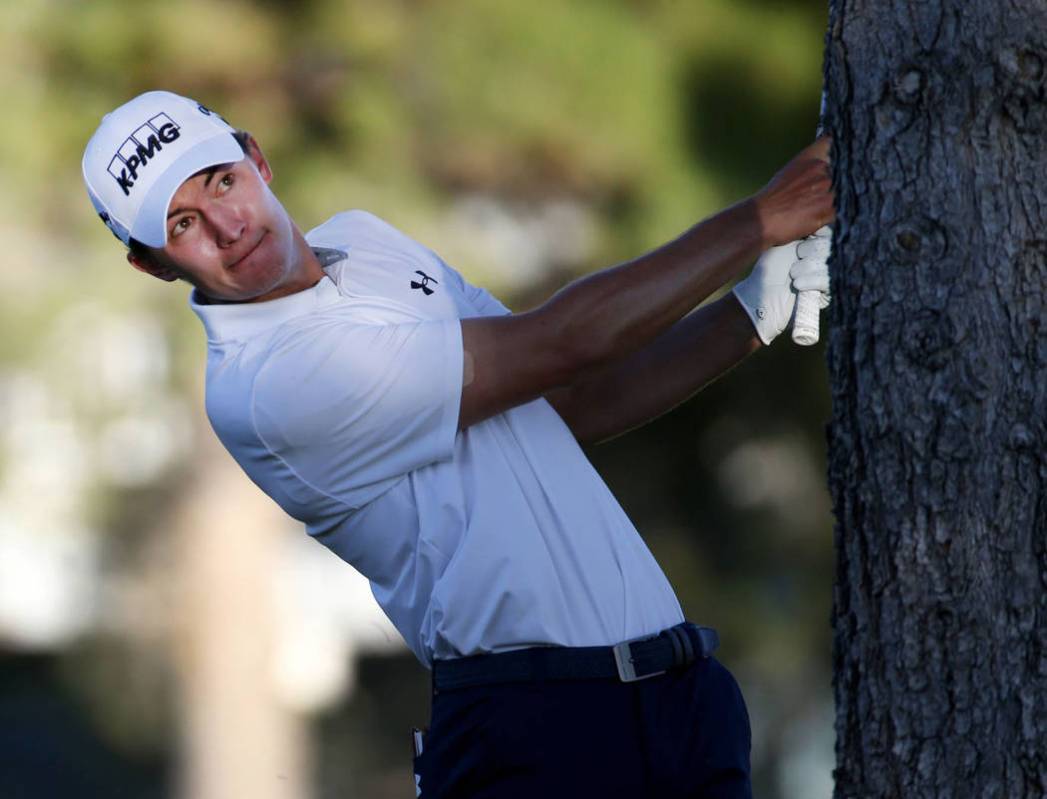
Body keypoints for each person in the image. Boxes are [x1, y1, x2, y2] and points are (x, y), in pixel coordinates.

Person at [82, 90, 834, 798]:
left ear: (258, 159)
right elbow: (562, 345)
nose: (226, 225)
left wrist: (746, 313)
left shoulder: (363, 241)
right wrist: (759, 218)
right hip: (537, 729)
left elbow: (568, 402)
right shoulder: (267, 385)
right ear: (153, 264)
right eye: (181, 225)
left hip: (682, 696)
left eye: (220, 181)